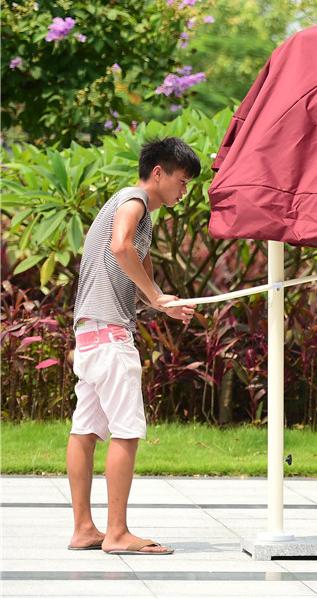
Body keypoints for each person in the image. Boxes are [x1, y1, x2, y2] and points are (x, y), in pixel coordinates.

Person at [66, 137, 200, 555]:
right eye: (182, 181)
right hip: (110, 338)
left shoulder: (138, 213)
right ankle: (117, 533)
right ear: (158, 173)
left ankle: (84, 529)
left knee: (85, 430)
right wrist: (156, 298)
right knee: (126, 431)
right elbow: (120, 247)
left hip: (90, 334)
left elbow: (137, 272)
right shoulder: (134, 200)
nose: (184, 191)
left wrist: (162, 303)